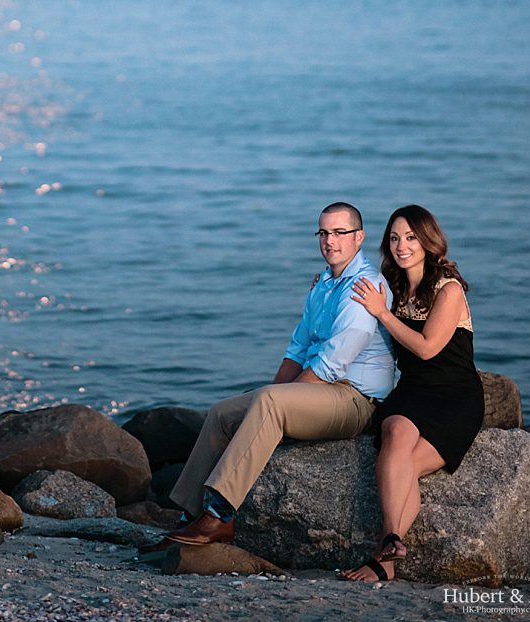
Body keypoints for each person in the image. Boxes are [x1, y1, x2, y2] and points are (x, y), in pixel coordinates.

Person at [164, 202, 395, 547]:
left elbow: (332, 363)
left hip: (355, 400)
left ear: (358, 237)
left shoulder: (365, 286)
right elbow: (297, 349)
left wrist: (278, 399)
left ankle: (220, 516)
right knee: (223, 412)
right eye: (323, 233)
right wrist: (268, 396)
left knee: (270, 402)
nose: (330, 241)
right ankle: (189, 514)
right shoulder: (324, 285)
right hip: (322, 390)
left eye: (339, 232)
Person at [340, 204, 484, 584]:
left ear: (427, 240)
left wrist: (384, 314)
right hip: (413, 390)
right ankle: (391, 540)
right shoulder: (393, 286)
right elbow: (353, 300)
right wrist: (325, 287)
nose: (401, 246)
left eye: (410, 237)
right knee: (395, 433)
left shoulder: (448, 289)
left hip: (455, 397)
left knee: (407, 468)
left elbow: (426, 348)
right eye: (394, 238)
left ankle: (382, 556)